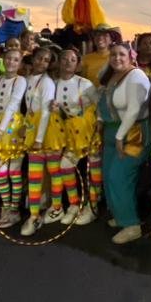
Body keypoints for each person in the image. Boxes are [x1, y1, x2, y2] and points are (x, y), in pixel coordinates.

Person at [96, 41, 151, 244]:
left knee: (119, 176)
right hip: (112, 131)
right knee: (108, 175)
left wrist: (120, 136)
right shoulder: (111, 75)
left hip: (133, 134)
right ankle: (120, 216)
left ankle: (131, 225)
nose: (117, 58)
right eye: (113, 55)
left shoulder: (136, 76)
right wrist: (100, 122)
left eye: (121, 54)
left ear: (131, 56)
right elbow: (103, 101)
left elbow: (134, 110)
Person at [44, 47, 98, 226]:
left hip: (90, 134)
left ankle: (93, 206)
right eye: (64, 59)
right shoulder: (53, 84)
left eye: (72, 60)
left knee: (94, 171)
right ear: (59, 62)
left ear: (78, 64)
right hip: (71, 136)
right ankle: (74, 204)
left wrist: (97, 128)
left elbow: (99, 107)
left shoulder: (85, 84)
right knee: (65, 166)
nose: (68, 63)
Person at [0, 48, 28, 227]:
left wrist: (1, 129)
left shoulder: (20, 80)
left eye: (15, 60)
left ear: (20, 63)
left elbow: (13, 104)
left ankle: (14, 210)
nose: (11, 62)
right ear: (3, 60)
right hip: (0, 124)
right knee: (0, 172)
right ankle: (5, 207)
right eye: (8, 58)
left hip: (14, 127)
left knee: (14, 171)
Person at [21, 46, 57, 236]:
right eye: (39, 58)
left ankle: (52, 207)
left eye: (46, 60)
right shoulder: (27, 79)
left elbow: (45, 113)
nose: (41, 62)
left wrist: (39, 139)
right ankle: (34, 214)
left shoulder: (47, 83)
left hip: (46, 131)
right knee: (34, 173)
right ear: (32, 58)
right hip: (31, 127)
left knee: (50, 172)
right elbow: (28, 108)